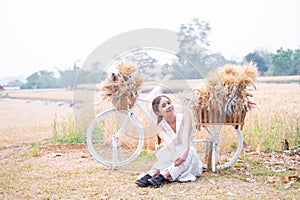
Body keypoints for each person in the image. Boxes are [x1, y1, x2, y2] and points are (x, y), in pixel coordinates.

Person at [135, 95, 203, 187]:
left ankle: (164, 175)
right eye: (163, 106)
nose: (168, 106)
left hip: (188, 155)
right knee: (165, 152)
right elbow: (168, 141)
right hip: (173, 154)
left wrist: (183, 154)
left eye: (169, 103)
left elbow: (185, 138)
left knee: (191, 150)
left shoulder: (184, 118)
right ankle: (152, 174)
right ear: (158, 112)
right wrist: (175, 156)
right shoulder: (160, 127)